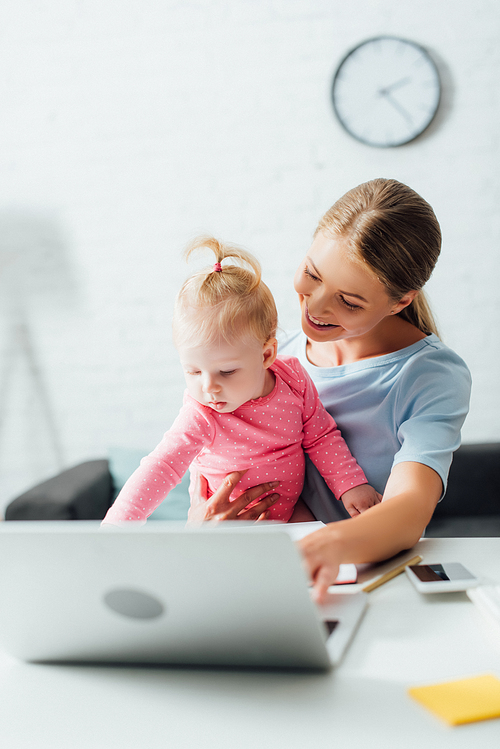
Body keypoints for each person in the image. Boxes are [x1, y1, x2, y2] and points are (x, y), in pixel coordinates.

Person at [189, 179, 472, 602]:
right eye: (312, 274)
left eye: (350, 301)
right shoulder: (273, 357)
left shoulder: (429, 375)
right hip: (251, 579)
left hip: (361, 590)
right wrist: (201, 523)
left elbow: (410, 507)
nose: (316, 306)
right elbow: (208, 466)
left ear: (399, 302)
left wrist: (327, 544)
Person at [102, 236, 380, 527]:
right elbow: (162, 466)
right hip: (228, 526)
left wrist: (351, 484)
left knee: (327, 552)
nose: (208, 387)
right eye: (194, 372)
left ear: (267, 354)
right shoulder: (201, 414)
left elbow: (320, 436)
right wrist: (119, 526)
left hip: (290, 514)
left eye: (226, 372)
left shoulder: (294, 380)